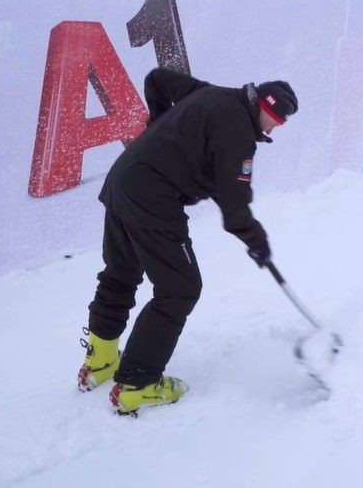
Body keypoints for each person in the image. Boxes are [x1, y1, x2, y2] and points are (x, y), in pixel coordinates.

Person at [77, 68, 298, 414]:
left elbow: (157, 79)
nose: (271, 129)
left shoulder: (212, 93)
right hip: (152, 198)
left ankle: (101, 358)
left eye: (278, 125)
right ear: (263, 109)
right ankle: (137, 383)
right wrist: (258, 242)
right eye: (274, 121)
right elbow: (235, 207)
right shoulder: (238, 136)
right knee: (180, 288)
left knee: (121, 269)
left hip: (124, 179)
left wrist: (159, 128)